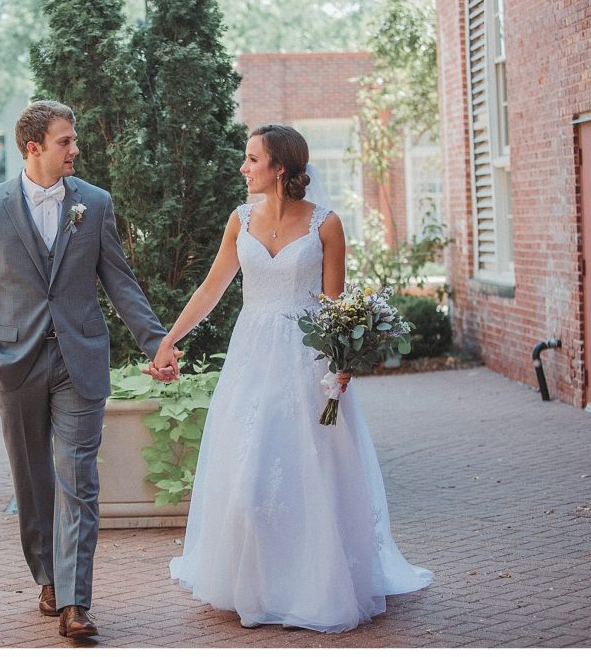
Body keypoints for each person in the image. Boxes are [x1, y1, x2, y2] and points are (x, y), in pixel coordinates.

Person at [160, 124, 433, 632]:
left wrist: (341, 361)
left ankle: (312, 585)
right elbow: (211, 288)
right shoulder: (239, 221)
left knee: (310, 473)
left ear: (279, 167)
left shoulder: (325, 225)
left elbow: (334, 308)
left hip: (307, 363)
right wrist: (169, 338)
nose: (243, 167)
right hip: (250, 359)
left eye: (252, 159)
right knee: (248, 476)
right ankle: (255, 584)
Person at [0, 100, 180, 640]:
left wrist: (158, 343)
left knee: (79, 479)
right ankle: (49, 577)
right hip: (16, 363)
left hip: (80, 360)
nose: (75, 149)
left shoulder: (95, 205)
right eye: (65, 141)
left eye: (73, 139)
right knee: (33, 481)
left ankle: (76, 601)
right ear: (34, 148)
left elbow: (120, 282)